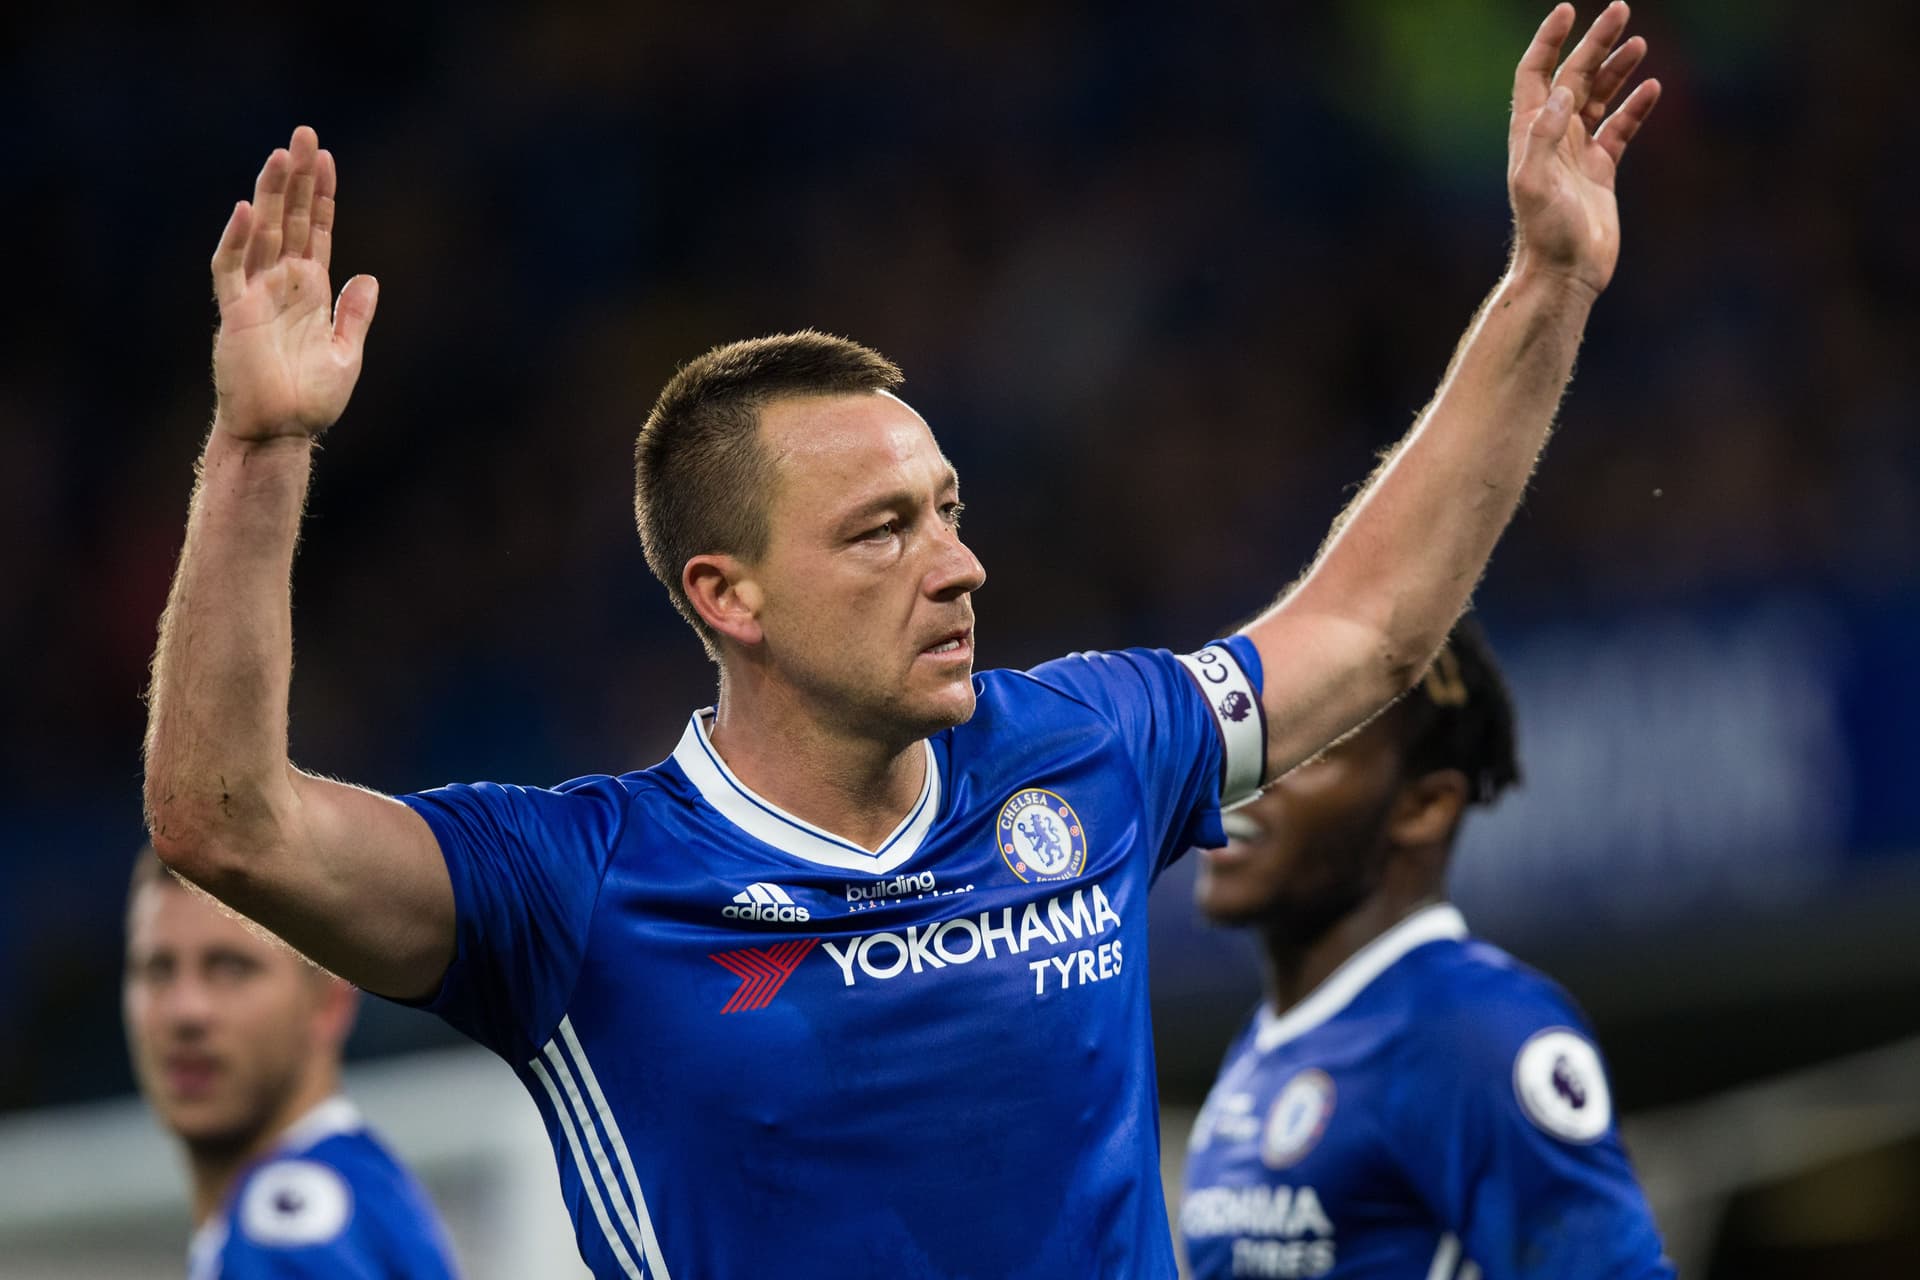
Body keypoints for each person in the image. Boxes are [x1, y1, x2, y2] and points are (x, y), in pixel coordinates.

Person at [141, 6, 1659, 1276]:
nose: (961, 566)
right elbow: (226, 820)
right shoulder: (573, 889)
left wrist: (1549, 281)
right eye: (883, 532)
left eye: (949, 510)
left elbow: (1376, 630)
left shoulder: (1086, 747)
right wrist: (263, 445)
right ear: (727, 596)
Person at [1178, 619, 1673, 1278]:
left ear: (1424, 806)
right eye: (1250, 741)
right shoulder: (1275, 1042)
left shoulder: (1473, 1033)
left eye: (1307, 750)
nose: (1240, 784)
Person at [123, 850, 461, 1278]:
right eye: (158, 969)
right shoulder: (358, 1199)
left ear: (330, 1001)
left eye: (230, 967)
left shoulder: (288, 1226)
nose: (186, 1011)